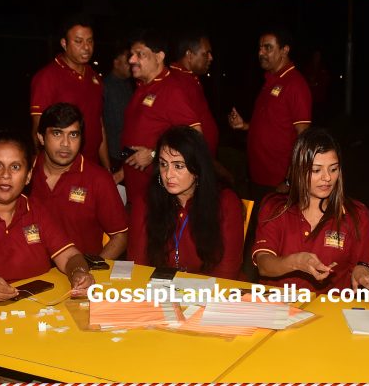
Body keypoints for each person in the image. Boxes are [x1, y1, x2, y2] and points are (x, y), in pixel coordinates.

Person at [0, 131, 95, 303]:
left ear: (28, 176)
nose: (5, 174)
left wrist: (79, 273)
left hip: (38, 312)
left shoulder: (36, 211)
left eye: (15, 167)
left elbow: (70, 256)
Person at [252, 128, 369, 293]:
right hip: (275, 302)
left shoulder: (355, 215)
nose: (327, 177)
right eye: (316, 170)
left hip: (330, 306)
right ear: (297, 170)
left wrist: (362, 271)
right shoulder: (275, 208)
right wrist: (297, 261)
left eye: (333, 169)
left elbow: (368, 267)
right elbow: (264, 264)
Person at [128, 126, 243, 280]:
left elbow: (226, 272)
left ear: (197, 168)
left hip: (210, 290)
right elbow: (137, 266)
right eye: (163, 164)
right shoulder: (145, 202)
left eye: (178, 166)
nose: (168, 175)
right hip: (158, 289)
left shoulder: (225, 203)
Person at [30, 103, 128, 259]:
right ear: (41, 137)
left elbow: (120, 236)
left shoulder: (98, 179)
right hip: (31, 270)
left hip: (83, 269)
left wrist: (92, 268)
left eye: (73, 135)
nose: (65, 143)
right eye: (57, 133)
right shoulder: (23, 174)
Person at [228, 28, 312, 201]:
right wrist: (244, 126)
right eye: (260, 48)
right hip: (259, 177)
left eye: (268, 47)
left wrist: (289, 180)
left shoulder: (295, 84)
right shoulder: (271, 81)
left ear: (284, 50)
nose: (261, 53)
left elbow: (304, 137)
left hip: (278, 182)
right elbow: (274, 124)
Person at [121, 29, 203, 206]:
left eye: (140, 54)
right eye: (131, 54)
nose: (131, 60)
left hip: (158, 195)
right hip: (136, 191)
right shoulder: (142, 87)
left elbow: (195, 136)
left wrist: (153, 154)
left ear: (159, 57)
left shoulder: (171, 90)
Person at [30, 14, 111, 171]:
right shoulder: (47, 77)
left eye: (90, 41)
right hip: (63, 169)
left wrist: (107, 168)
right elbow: (37, 132)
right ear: (64, 43)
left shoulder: (95, 77)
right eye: (78, 41)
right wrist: (47, 171)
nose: (86, 47)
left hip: (92, 167)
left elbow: (99, 124)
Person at [170, 32, 218, 157]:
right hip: (193, 158)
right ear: (189, 55)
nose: (211, 58)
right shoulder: (176, 82)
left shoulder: (190, 77)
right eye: (206, 53)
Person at [103, 44, 134, 172]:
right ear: (116, 63)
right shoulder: (105, 87)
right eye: (127, 63)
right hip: (114, 153)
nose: (131, 65)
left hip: (127, 150)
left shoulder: (128, 84)